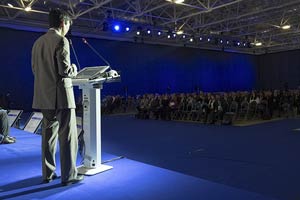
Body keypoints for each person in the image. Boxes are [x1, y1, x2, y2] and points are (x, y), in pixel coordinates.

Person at [31, 8, 83, 186]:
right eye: (68, 24)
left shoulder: (37, 43)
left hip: (43, 97)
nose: (68, 28)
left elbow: (35, 70)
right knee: (67, 136)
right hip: (61, 97)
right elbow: (64, 71)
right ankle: (69, 175)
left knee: (47, 137)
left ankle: (48, 173)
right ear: (63, 23)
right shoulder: (61, 41)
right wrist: (74, 69)